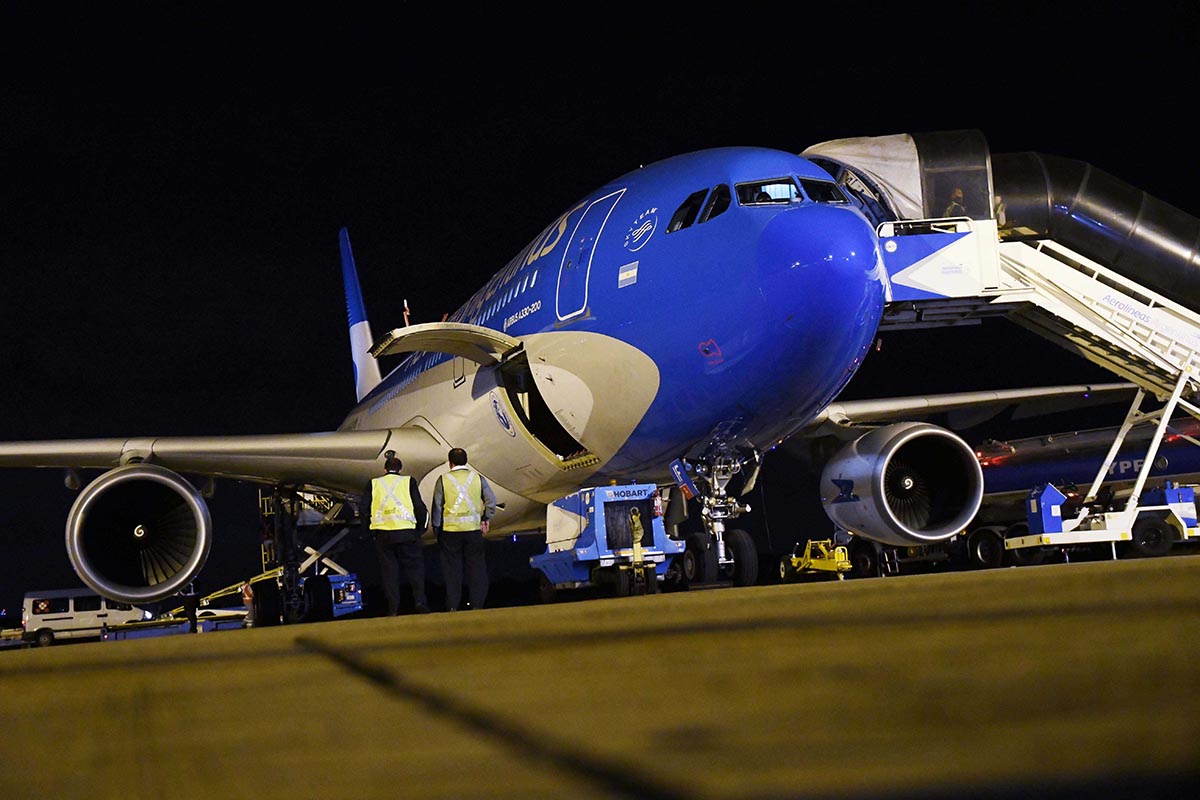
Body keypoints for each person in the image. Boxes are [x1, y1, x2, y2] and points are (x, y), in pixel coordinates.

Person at [431, 447, 496, 611]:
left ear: (450, 463)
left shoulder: (443, 480)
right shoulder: (478, 478)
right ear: (466, 461)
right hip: (473, 530)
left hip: (450, 532)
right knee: (477, 569)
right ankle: (477, 605)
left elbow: (437, 507)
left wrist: (437, 529)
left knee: (452, 572)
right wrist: (485, 518)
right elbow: (491, 501)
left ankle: (453, 606)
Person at [366, 450, 431, 615]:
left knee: (389, 573)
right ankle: (419, 602)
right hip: (406, 532)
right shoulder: (409, 482)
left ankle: (393, 608)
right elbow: (419, 507)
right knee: (415, 570)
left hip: (383, 533)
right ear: (400, 469)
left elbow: (363, 508)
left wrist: (369, 531)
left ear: (384, 470)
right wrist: (420, 529)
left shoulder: (373, 483)